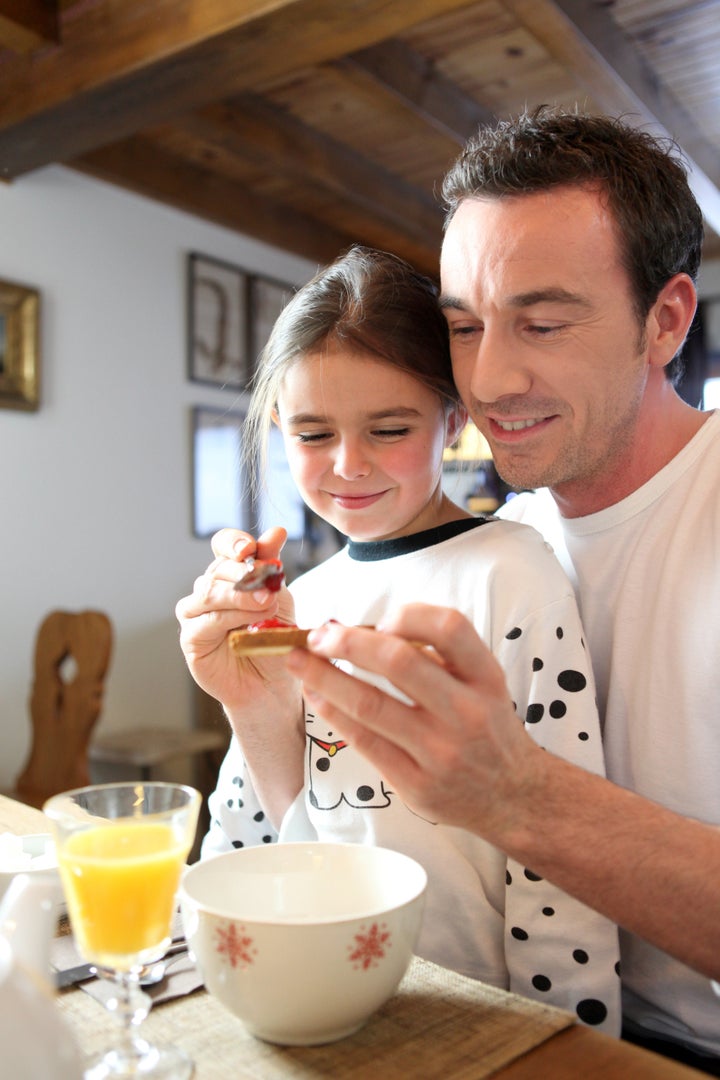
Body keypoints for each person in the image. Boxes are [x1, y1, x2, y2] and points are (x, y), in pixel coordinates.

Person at [282, 110, 720, 1072]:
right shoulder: (499, 548)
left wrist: (524, 798)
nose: (489, 378)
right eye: (465, 327)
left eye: (544, 323)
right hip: (520, 1023)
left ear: (668, 319)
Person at [176, 245, 621, 1030]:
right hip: (322, 993)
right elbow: (258, 843)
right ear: (277, 424)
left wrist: (572, 1047)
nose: (348, 465)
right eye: (313, 434)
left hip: (475, 1014)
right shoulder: (298, 599)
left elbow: (560, 855)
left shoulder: (508, 572)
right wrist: (252, 703)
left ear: (454, 422)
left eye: (388, 428)